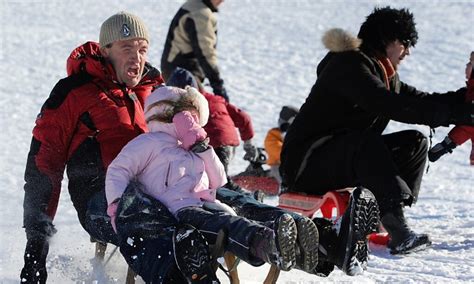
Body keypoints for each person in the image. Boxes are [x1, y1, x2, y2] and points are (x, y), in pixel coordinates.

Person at [20, 12, 209, 284]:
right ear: (105, 50)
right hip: (102, 197)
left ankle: (265, 236)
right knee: (146, 218)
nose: (137, 57)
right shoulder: (75, 92)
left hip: (161, 187)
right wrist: (36, 245)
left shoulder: (155, 92)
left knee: (216, 201)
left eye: (142, 49)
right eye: (126, 47)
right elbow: (44, 165)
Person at [280, 7, 474, 256]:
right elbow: (388, 104)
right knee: (366, 144)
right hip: (306, 164)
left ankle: (384, 217)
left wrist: (464, 103)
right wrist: (458, 115)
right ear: (386, 39)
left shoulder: (383, 72)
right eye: (405, 43)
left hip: (339, 158)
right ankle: (398, 231)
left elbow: (422, 100)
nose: (408, 52)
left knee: (413, 142)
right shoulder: (348, 63)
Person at [165, 68, 379, 276]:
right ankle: (306, 244)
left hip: (203, 169)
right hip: (183, 191)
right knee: (235, 208)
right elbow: (243, 119)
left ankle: (329, 238)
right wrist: (248, 146)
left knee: (245, 203)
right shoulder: (179, 115)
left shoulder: (183, 109)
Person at [105, 85, 312, 272]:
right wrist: (117, 203)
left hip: (206, 204)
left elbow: (219, 180)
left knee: (232, 219)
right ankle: (267, 244)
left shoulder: (193, 150)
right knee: (226, 225)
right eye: (190, 117)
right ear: (169, 113)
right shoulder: (149, 142)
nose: (194, 123)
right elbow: (118, 170)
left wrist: (203, 148)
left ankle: (288, 245)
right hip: (177, 213)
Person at [166, 67, 259, 193]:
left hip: (211, 144)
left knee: (218, 184)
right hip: (229, 144)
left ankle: (246, 198)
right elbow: (244, 117)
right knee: (219, 178)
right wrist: (248, 143)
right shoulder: (216, 99)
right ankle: (242, 196)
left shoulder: (186, 105)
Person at [161, 0, 229, 101]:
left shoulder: (193, 5)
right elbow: (205, 52)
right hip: (183, 73)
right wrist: (217, 84)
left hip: (173, 67)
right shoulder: (201, 14)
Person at [428, 51, 474, 165]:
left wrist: (447, 144)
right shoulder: (469, 91)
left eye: (470, 63)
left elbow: (469, 123)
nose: (466, 65)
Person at [264, 105, 299, 183]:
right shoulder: (273, 135)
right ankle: (287, 190)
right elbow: (281, 153)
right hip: (278, 166)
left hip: (296, 167)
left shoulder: (297, 136)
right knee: (285, 176)